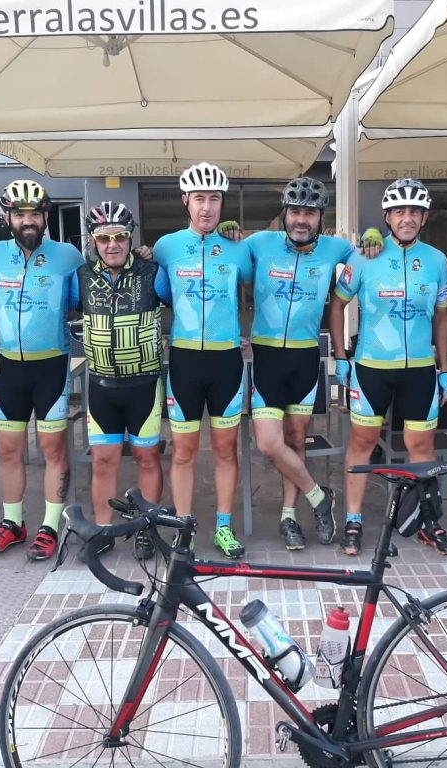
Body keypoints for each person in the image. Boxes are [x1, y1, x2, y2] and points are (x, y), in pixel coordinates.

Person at [329, 178, 447, 556]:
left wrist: (444, 369)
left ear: (425, 217)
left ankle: (428, 522)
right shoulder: (365, 256)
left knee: (421, 446)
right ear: (387, 217)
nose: (407, 218)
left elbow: (443, 316)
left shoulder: (436, 260)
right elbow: (337, 305)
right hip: (372, 368)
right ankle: (353, 521)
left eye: (415, 211)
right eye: (400, 211)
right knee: (363, 443)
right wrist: (340, 357)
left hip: (420, 369)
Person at [0, 180, 83, 561]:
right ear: (7, 218)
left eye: (35, 213)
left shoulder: (68, 255)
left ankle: (50, 525)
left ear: (46, 216)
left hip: (52, 365)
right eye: (20, 214)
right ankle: (13, 523)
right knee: (8, 449)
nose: (28, 220)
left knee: (53, 449)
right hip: (10, 368)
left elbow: (98, 282)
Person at [233, 177, 344, 550]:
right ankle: (319, 497)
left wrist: (375, 235)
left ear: (321, 217)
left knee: (297, 439)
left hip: (305, 356)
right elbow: (220, 255)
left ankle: (288, 516)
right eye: (295, 211)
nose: (302, 220)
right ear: (284, 214)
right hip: (267, 356)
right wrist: (226, 231)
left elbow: (377, 254)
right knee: (269, 442)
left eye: (310, 213)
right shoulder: (260, 243)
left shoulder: (335, 248)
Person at [152, 162, 253, 559]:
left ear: (222, 203)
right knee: (183, 451)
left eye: (214, 199)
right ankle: (183, 527)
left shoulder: (237, 247)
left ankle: (224, 527)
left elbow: (266, 266)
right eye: (199, 198)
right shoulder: (167, 246)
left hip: (226, 361)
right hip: (185, 362)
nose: (207, 207)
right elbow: (159, 289)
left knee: (226, 450)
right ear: (185, 201)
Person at [70, 201, 171, 560]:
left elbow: (187, 299)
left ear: (131, 238)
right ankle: (103, 531)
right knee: (103, 460)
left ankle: (147, 529)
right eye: (104, 238)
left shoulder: (152, 272)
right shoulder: (80, 276)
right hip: (101, 386)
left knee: (147, 458)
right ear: (92, 241)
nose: (112, 244)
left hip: (144, 384)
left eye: (120, 237)